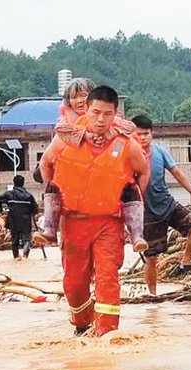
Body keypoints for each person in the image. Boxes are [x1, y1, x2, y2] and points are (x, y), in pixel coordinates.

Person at [40, 86, 149, 337]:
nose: (101, 119)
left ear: (115, 114)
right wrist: (56, 197)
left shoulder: (126, 144)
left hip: (108, 223)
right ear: (86, 110)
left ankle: (107, 335)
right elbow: (46, 163)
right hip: (73, 222)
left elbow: (143, 171)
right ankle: (82, 323)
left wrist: (132, 203)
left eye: (107, 114)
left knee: (107, 278)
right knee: (74, 282)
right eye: (96, 112)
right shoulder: (66, 137)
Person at [33, 77, 147, 252]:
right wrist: (85, 135)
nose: (78, 101)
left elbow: (129, 129)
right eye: (74, 97)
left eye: (83, 95)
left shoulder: (110, 119)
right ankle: (51, 230)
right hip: (72, 188)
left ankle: (135, 233)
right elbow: (50, 154)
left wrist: (109, 133)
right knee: (55, 188)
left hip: (106, 190)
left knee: (129, 189)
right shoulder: (65, 124)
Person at [131, 114, 191, 296]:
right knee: (151, 258)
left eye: (146, 134)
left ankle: (187, 260)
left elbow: (178, 173)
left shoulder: (160, 152)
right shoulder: (128, 156)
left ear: (152, 134)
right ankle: (153, 296)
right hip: (146, 213)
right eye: (138, 134)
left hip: (167, 203)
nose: (142, 138)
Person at [0, 175, 39, 260]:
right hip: (25, 221)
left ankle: (16, 257)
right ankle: (25, 254)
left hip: (13, 220)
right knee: (27, 239)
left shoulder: (9, 194)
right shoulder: (29, 196)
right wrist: (32, 212)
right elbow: (35, 209)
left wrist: (3, 210)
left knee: (15, 240)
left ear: (14, 183)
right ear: (23, 183)